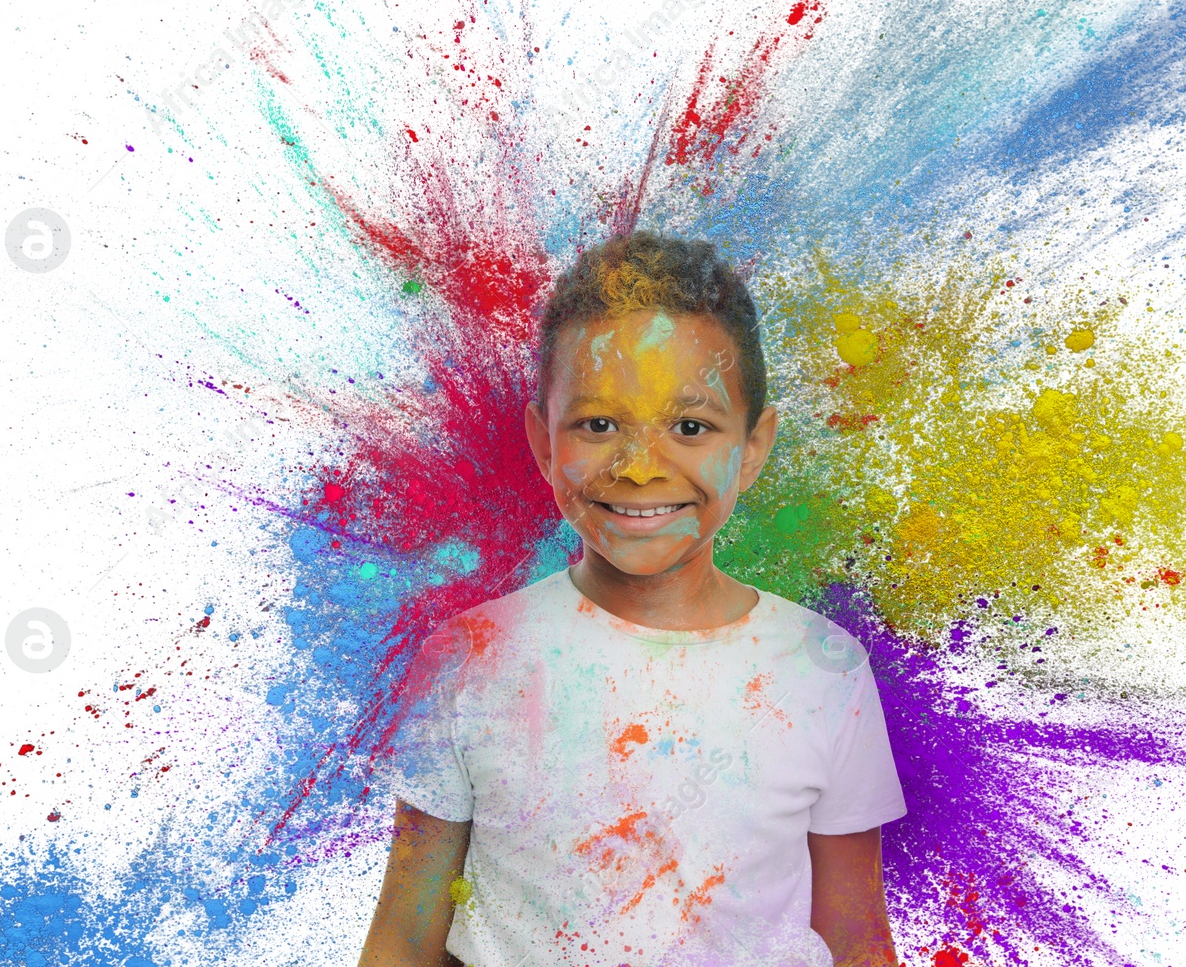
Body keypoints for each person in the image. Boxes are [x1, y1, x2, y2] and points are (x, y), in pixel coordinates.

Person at [357, 233, 905, 966]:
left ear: (752, 446)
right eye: (598, 424)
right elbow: (403, 937)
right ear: (544, 442)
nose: (642, 468)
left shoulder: (825, 668)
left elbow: (859, 942)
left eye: (690, 427)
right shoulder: (468, 660)